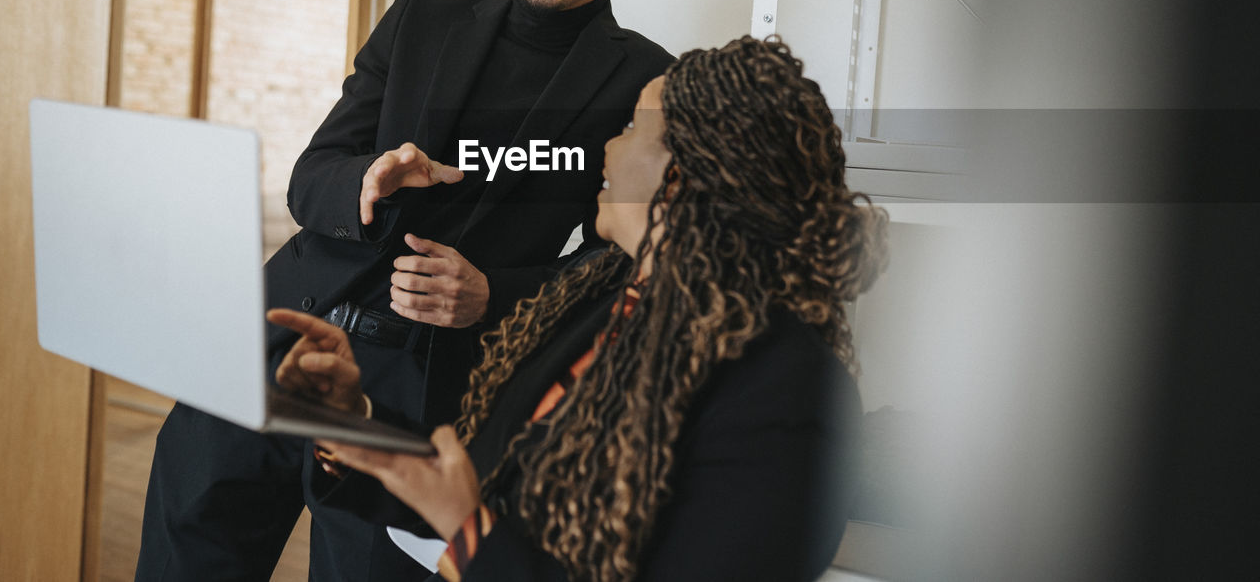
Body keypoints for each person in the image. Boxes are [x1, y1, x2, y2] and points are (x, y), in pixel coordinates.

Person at [137, 0, 673, 581]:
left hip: (426, 388)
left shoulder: (645, 79)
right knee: (189, 546)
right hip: (283, 329)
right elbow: (311, 175)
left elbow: (622, 262)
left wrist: (493, 291)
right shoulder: (424, 11)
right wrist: (366, 181)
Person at [270, 36, 890, 582]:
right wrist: (350, 423)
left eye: (630, 131)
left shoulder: (790, 393)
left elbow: (473, 522)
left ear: (689, 176)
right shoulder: (597, 300)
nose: (607, 151)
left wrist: (470, 531)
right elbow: (477, 486)